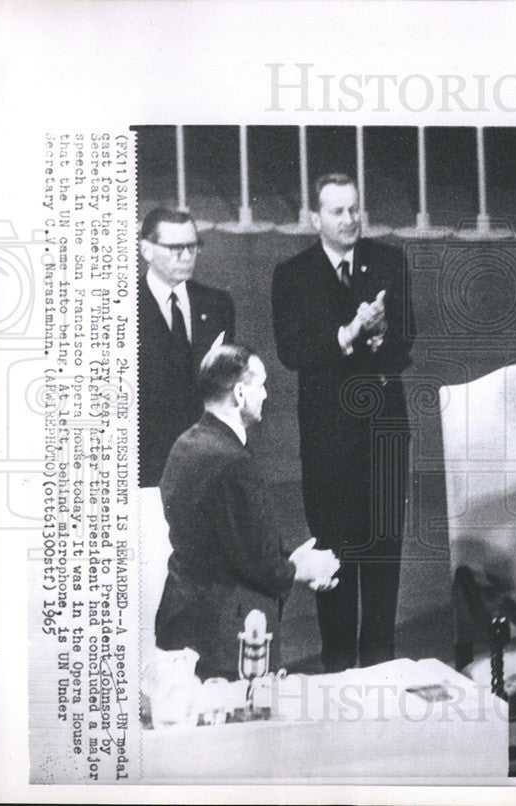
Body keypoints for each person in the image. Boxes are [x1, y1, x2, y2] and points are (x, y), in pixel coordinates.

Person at [271, 173, 414, 673]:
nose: (350, 220)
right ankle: (337, 678)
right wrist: (350, 333)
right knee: (335, 564)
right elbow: (294, 352)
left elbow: (405, 346)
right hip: (329, 446)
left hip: (384, 440)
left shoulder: (390, 262)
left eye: (355, 210)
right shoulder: (291, 275)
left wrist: (380, 339)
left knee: (382, 565)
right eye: (337, 212)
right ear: (316, 218)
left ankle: (380, 672)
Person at [155, 345, 340, 681]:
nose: (267, 394)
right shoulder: (233, 462)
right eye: (262, 385)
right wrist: (305, 567)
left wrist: (288, 559)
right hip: (226, 638)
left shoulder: (186, 444)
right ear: (240, 394)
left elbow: (230, 542)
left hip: (182, 624)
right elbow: (259, 564)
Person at [138, 207, 235, 488]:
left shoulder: (217, 304)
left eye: (192, 246)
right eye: (174, 248)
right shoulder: (123, 306)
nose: (186, 256)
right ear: (147, 250)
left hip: (207, 459)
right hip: (148, 463)